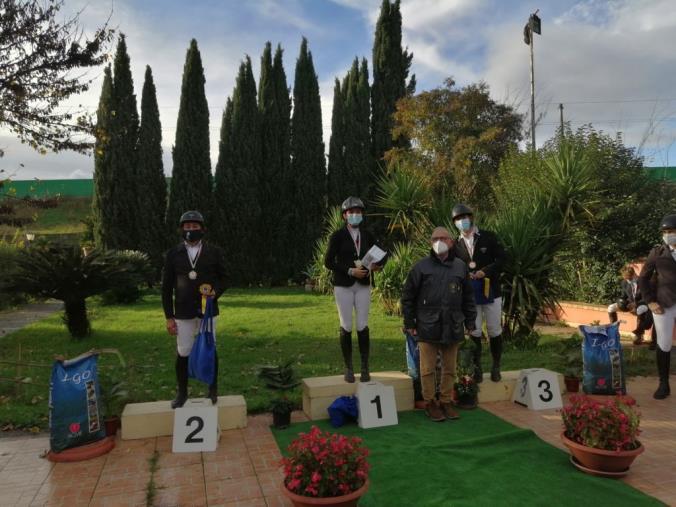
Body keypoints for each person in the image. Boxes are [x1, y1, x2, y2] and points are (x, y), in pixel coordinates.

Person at [401, 226, 477, 422]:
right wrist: (410, 322)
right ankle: (430, 403)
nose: (439, 241)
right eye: (435, 238)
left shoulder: (460, 267)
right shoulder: (420, 267)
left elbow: (468, 297)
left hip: (453, 324)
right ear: (430, 243)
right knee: (427, 369)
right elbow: (408, 296)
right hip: (427, 325)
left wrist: (470, 321)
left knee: (450, 368)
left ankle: (445, 401)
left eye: (443, 238)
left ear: (451, 242)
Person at [162, 210, 227, 408]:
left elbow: (225, 277)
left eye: (195, 226)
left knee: (209, 348)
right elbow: (166, 287)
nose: (191, 230)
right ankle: (182, 393)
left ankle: (212, 389)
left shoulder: (214, 252)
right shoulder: (173, 254)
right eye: (187, 227)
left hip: (208, 312)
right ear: (181, 230)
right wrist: (169, 317)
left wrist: (215, 292)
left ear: (202, 229)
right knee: (183, 351)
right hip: (183, 312)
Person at [325, 197, 385, 383]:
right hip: (344, 285)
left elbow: (381, 255)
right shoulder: (337, 236)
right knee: (346, 325)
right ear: (345, 215)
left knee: (362, 325)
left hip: (363, 285)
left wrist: (377, 266)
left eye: (358, 212)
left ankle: (365, 367)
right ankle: (348, 367)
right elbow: (328, 262)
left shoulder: (367, 234)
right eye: (351, 212)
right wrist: (350, 270)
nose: (355, 215)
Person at [451, 204, 506, 382]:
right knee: (473, 330)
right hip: (470, 294)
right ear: (454, 223)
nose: (462, 221)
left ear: (471, 217)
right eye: (458, 219)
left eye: (464, 217)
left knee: (493, 329)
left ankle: (496, 365)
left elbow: (503, 259)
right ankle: (477, 367)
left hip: (491, 292)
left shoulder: (488, 237)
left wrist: (486, 271)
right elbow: (453, 268)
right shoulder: (455, 244)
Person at [638, 213, 676, 400]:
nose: (668, 234)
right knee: (664, 343)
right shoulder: (657, 252)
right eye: (665, 231)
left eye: (672, 231)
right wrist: (650, 301)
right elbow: (643, 278)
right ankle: (663, 384)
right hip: (663, 304)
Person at [607, 265, 656, 348]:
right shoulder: (625, 282)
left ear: (633, 275)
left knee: (640, 310)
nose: (627, 280)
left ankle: (639, 336)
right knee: (610, 308)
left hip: (643, 304)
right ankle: (614, 332)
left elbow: (647, 297)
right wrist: (621, 302)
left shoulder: (643, 282)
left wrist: (635, 304)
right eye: (625, 278)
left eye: (629, 278)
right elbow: (624, 296)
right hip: (630, 304)